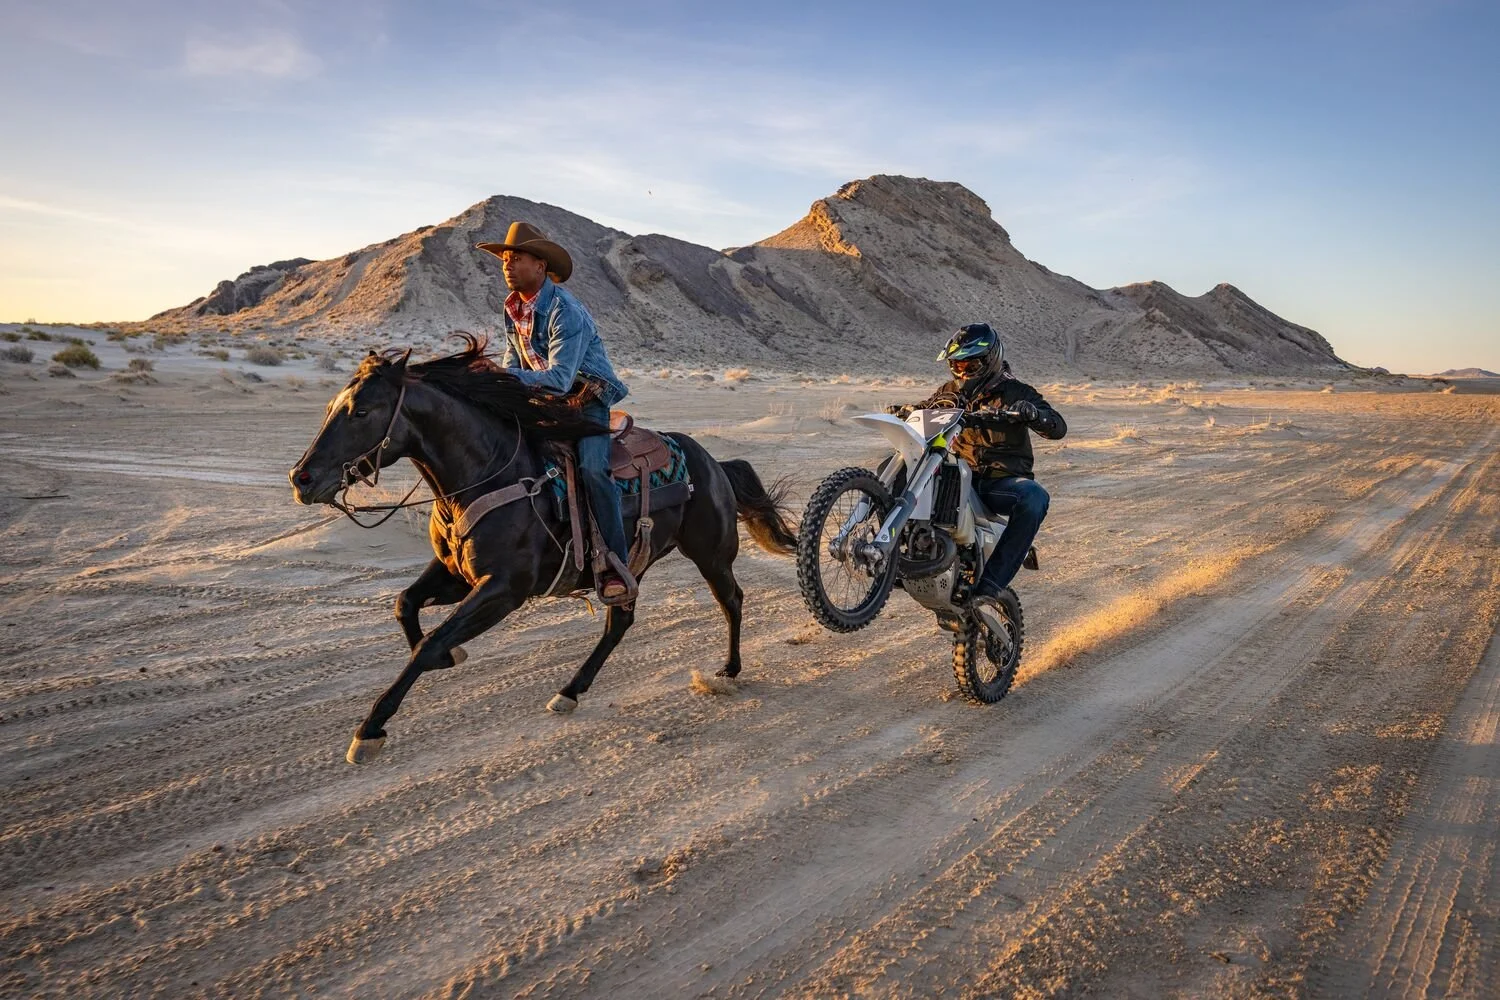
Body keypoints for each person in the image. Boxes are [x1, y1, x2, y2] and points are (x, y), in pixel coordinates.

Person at [476, 222, 634, 603]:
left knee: (593, 470)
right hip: (545, 400)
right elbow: (514, 360)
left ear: (541, 266)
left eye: (515, 259)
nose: (506, 266)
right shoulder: (513, 308)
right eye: (504, 260)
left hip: (586, 399)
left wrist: (503, 373)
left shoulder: (565, 309)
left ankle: (616, 564)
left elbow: (562, 378)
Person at [895, 323, 1066, 625]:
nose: (962, 372)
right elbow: (929, 409)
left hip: (1002, 483)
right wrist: (908, 411)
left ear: (990, 361)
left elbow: (1057, 426)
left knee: (1034, 497)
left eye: (969, 364)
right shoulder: (949, 393)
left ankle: (989, 588)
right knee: (910, 468)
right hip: (960, 480)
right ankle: (890, 555)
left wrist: (1034, 415)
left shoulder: (1016, 392)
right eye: (956, 365)